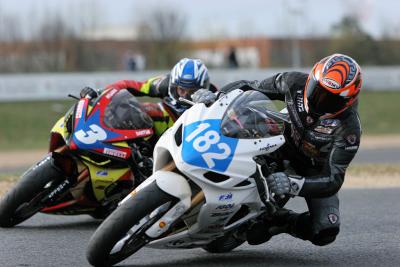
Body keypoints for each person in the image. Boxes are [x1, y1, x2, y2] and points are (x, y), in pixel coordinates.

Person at [213, 53, 362, 246]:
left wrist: (293, 184)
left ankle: (281, 222)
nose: (320, 101)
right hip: (278, 142)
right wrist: (216, 98)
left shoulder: (349, 128)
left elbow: (334, 179)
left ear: (347, 102)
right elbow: (248, 86)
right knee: (243, 118)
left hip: (313, 170)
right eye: (317, 91)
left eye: (331, 100)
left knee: (326, 229)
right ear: (311, 80)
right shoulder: (292, 82)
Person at [80, 58, 217, 138]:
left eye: (191, 91)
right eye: (181, 90)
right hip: (167, 123)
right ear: (174, 85)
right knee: (137, 109)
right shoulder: (163, 83)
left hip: (193, 135)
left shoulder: (215, 96)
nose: (184, 95)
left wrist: (211, 103)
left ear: (203, 87)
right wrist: (100, 93)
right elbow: (130, 85)